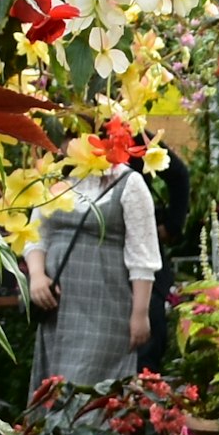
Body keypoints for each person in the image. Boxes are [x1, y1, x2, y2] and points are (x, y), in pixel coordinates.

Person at [25, 124, 161, 394]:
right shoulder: (55, 181)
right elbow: (35, 235)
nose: (67, 145)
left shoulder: (127, 182)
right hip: (59, 311)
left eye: (74, 136)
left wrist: (140, 314)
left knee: (87, 392)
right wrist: (37, 276)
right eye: (65, 137)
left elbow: (142, 254)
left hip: (106, 310)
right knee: (55, 392)